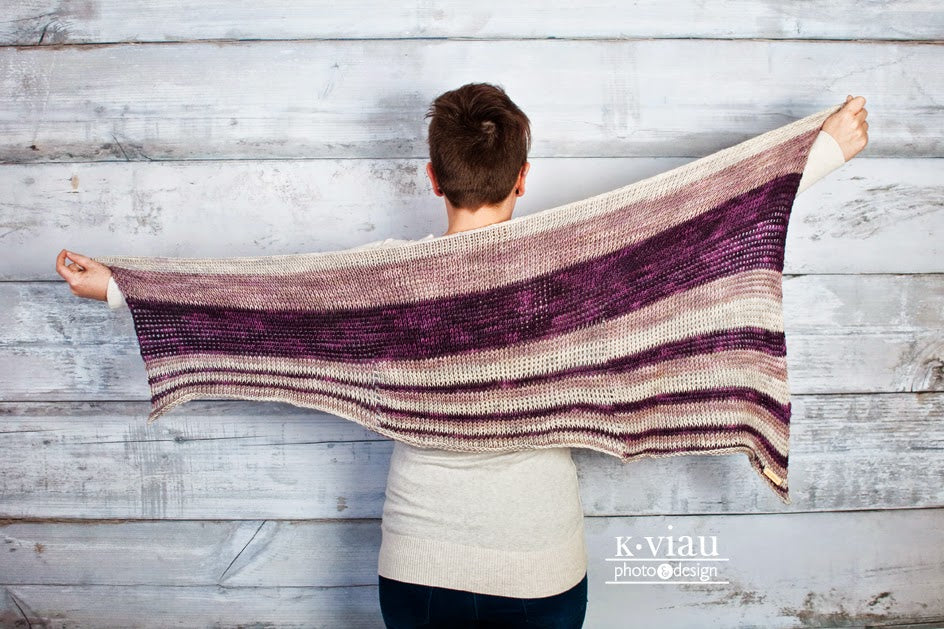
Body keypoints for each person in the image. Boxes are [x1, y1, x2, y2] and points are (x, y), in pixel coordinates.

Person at [56, 85, 868, 627]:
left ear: (432, 176)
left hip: (418, 573)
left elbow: (259, 305)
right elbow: (696, 228)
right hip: (540, 573)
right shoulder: (569, 277)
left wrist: (121, 288)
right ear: (523, 177)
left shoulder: (382, 283)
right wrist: (821, 152)